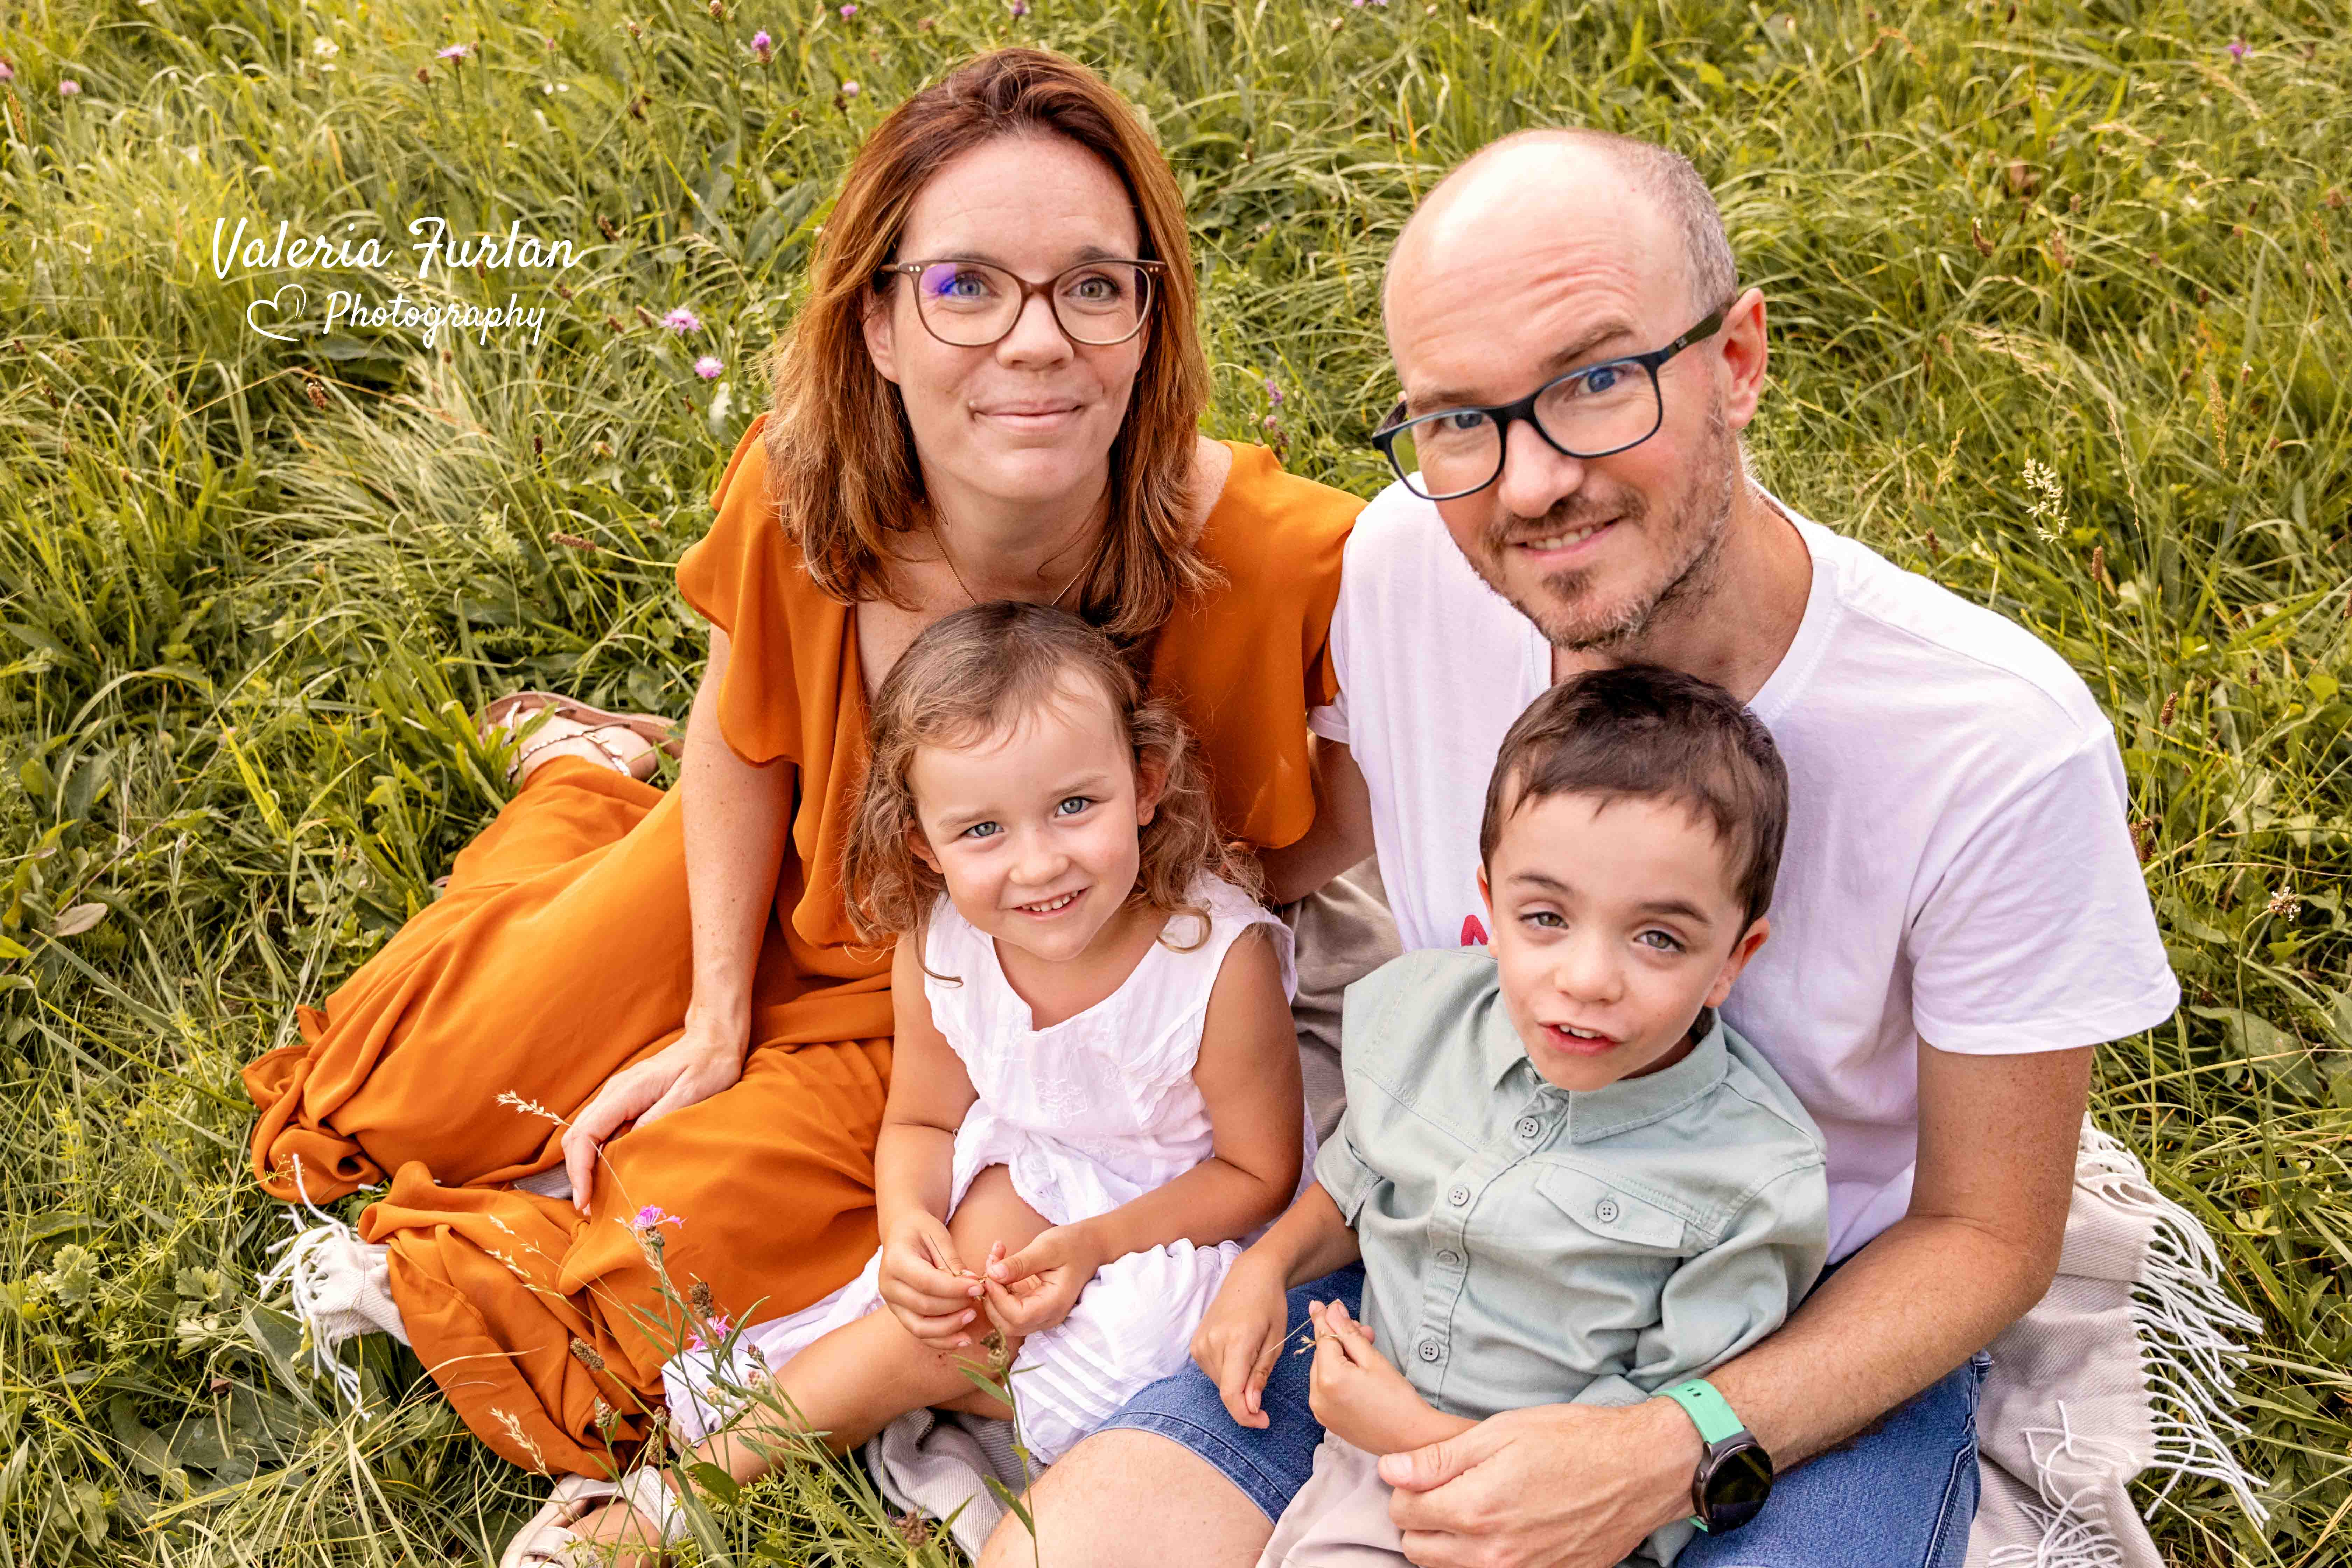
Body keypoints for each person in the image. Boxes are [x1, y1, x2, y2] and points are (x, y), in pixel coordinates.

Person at [990, 128, 2177, 1568]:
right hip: (1448, 1248)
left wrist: (1670, 1445)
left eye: (1598, 380)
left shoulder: (1992, 741)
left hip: (1785, 1312)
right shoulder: (1411, 573)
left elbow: (1990, 1236)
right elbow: (1324, 824)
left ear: (1736, 362)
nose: (1532, 480)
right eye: (1457, 419)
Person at [240, 47, 1360, 1482]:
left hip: (952, 989)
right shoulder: (809, 489)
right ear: (881, 321)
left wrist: (1211, 891)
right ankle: (582, 788)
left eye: (1093, 284)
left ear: (1148, 315)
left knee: (642, 1262)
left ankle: (597, 798)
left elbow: (1440, 748)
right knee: (398, 1094)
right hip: (772, 869)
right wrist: (713, 1016)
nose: (1037, 343)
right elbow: (742, 724)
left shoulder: (1269, 550)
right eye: (967, 286)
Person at [529, 603, 1311, 1562]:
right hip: (1030, 1192)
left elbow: (1257, 1175)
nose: (1039, 863)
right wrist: (908, 1226)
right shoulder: (940, 942)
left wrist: (1095, 1245)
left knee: (961, 1333)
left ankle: (681, 1499)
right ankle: (917, 1377)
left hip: (1181, 1229)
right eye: (983, 828)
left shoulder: (1211, 963)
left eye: (1076, 805)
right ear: (925, 843)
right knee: (950, 1297)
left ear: (1145, 783)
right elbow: (925, 1121)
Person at [1200, 665, 1828, 1568]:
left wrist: (1409, 1431)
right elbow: (1362, 1174)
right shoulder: (1428, 1018)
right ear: (1488, 903)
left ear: (1736, 956)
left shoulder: (1750, 1179)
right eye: (1544, 917)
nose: (1587, 978)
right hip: (1367, 1463)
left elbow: (1661, 1438)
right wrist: (1267, 1265)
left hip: (1564, 1532)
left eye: (1659, 938)